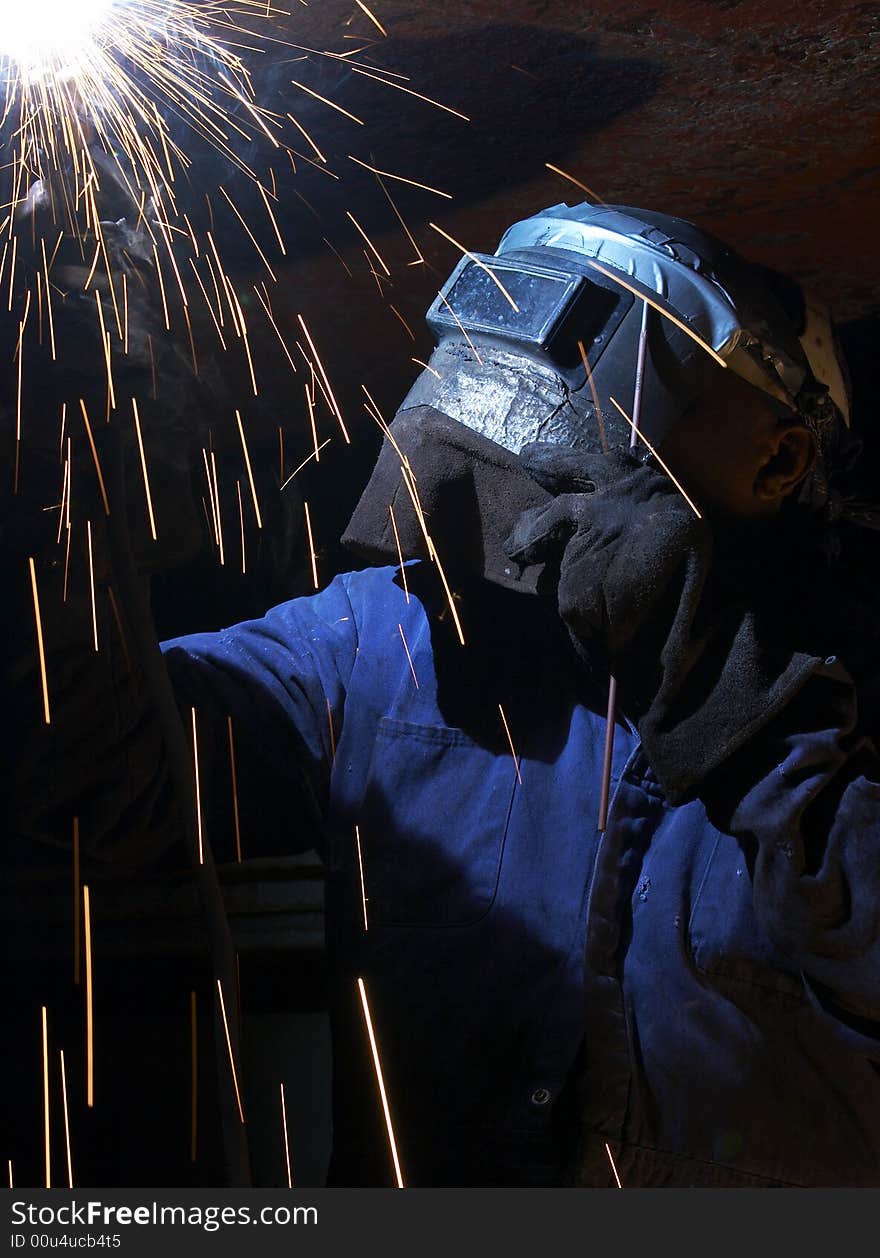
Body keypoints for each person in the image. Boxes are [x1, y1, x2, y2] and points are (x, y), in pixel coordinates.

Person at [7, 202, 880, 1187]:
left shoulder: (850, 699)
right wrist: (44, 465)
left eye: (616, 364)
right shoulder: (376, 641)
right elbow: (93, 775)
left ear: (776, 458)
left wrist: (726, 684)